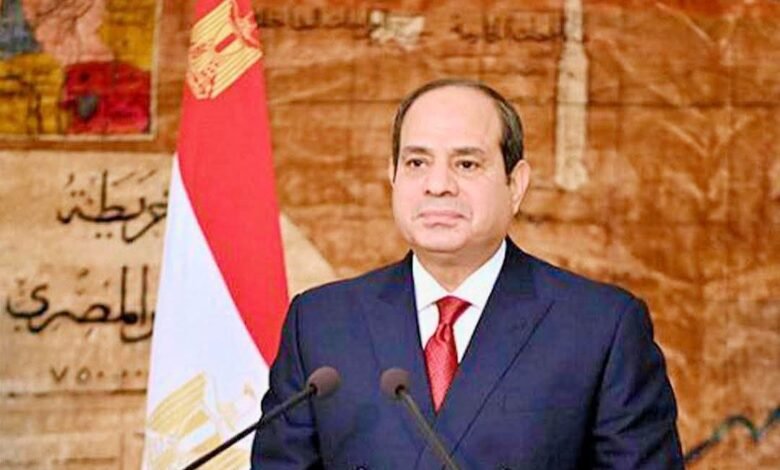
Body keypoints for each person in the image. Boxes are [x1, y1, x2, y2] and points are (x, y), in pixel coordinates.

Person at [251, 79, 683, 469]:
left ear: (516, 184)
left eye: (467, 164)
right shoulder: (321, 323)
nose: (438, 184)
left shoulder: (600, 327)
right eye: (416, 163)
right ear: (392, 176)